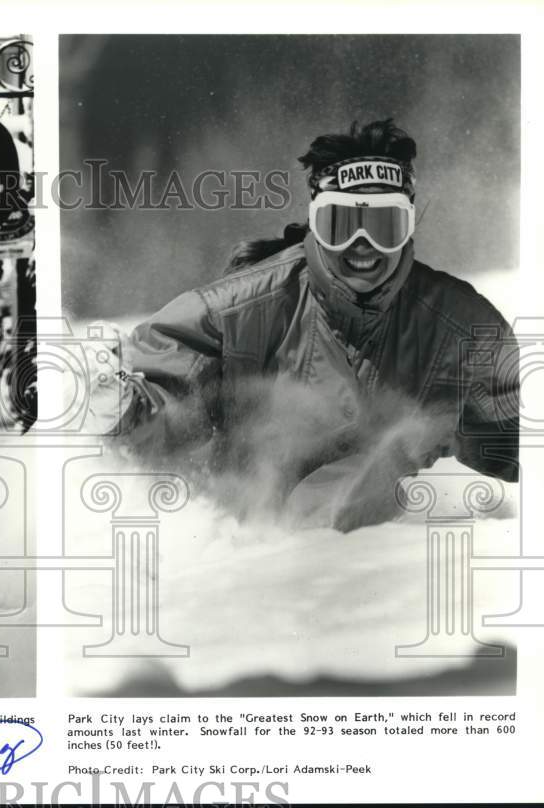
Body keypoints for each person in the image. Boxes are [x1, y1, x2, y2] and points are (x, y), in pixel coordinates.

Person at [91, 119, 519, 531]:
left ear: (408, 228)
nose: (363, 246)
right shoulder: (243, 310)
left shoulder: (462, 330)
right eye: (342, 224)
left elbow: (515, 453)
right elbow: (166, 404)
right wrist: (121, 406)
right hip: (249, 553)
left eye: (385, 226)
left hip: (381, 565)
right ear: (316, 222)